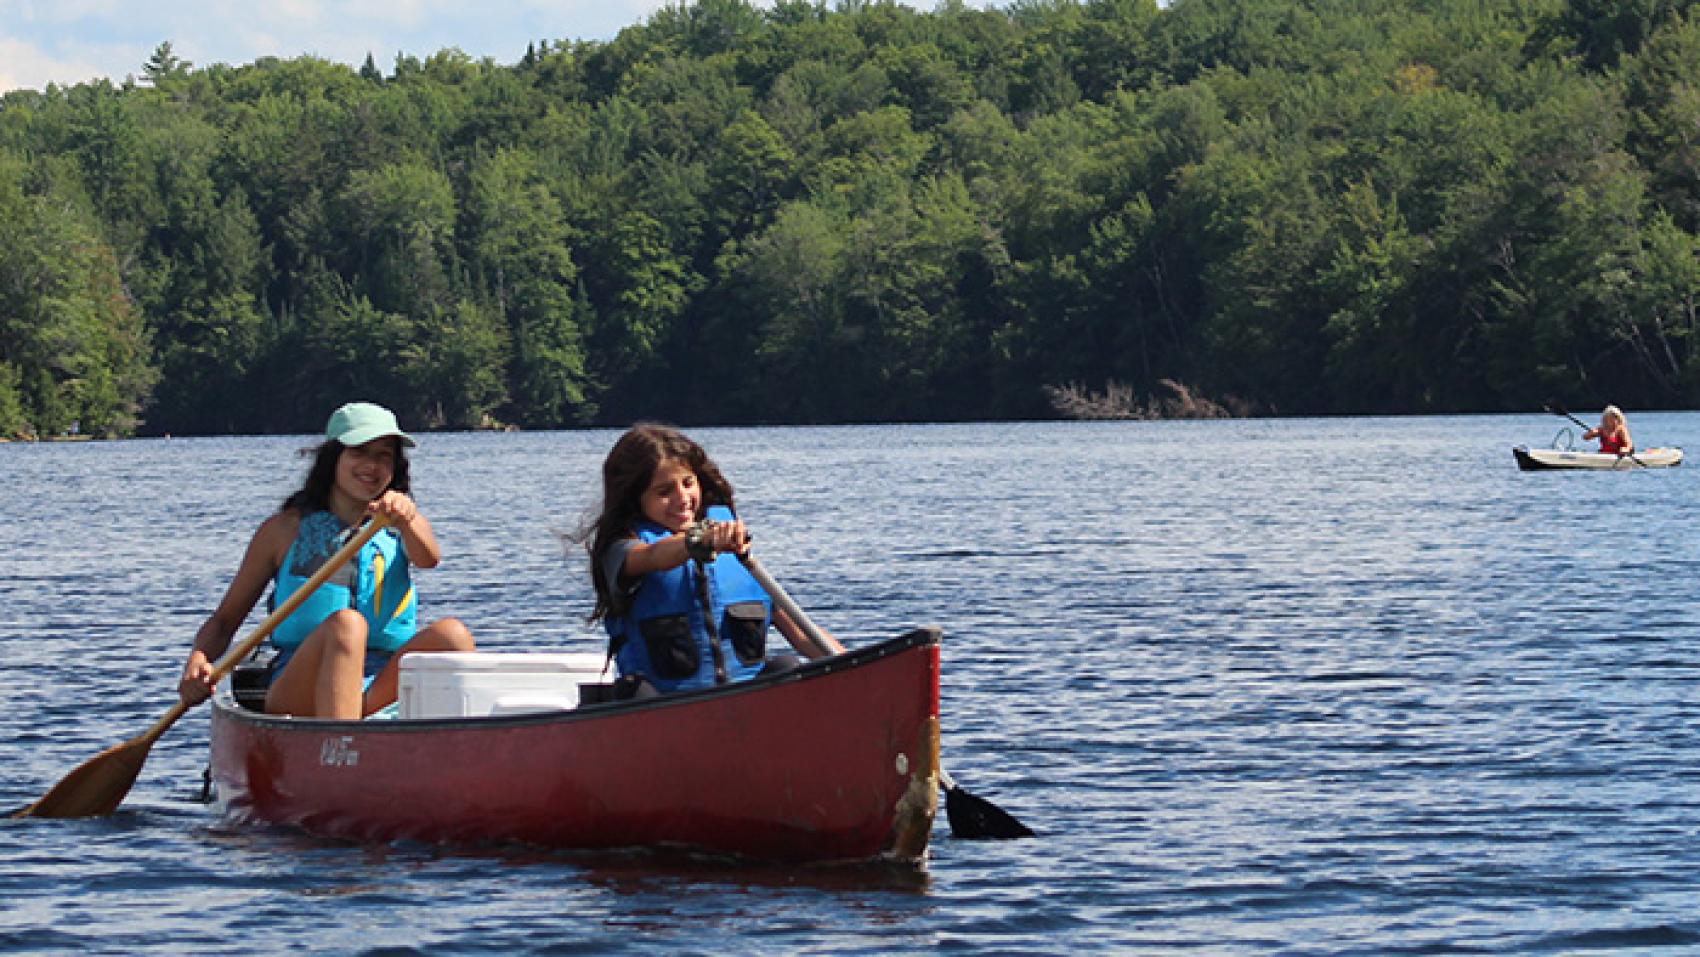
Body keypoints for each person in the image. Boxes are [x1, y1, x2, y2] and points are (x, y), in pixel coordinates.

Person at [178, 402, 474, 718]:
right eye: (359, 452)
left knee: (452, 635)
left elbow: (429, 558)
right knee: (347, 624)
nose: (371, 466)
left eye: (383, 455)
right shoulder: (282, 530)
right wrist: (199, 658)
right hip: (302, 682)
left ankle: (465, 747)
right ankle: (341, 746)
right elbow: (225, 621)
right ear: (333, 458)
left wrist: (405, 518)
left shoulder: (403, 524)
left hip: (378, 684)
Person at [583, 423, 843, 699]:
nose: (682, 499)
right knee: (635, 692)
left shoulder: (732, 549)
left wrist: (857, 667)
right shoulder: (622, 551)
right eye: (664, 492)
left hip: (744, 707)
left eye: (687, 483)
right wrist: (699, 540)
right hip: (667, 710)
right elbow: (653, 556)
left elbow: (803, 634)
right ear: (636, 500)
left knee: (786, 666)